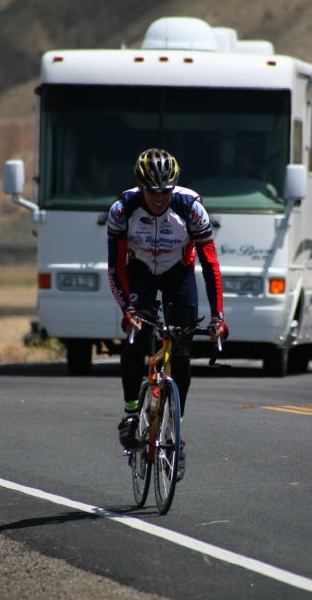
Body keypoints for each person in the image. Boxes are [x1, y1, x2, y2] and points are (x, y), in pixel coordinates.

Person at [106, 148, 229, 473]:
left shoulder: (191, 209)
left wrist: (218, 316)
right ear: (140, 185)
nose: (159, 198)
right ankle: (131, 412)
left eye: (166, 191)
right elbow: (115, 266)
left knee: (183, 352)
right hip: (140, 272)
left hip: (179, 272)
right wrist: (127, 307)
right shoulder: (122, 210)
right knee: (137, 335)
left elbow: (211, 265)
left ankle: (176, 430)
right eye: (152, 191)